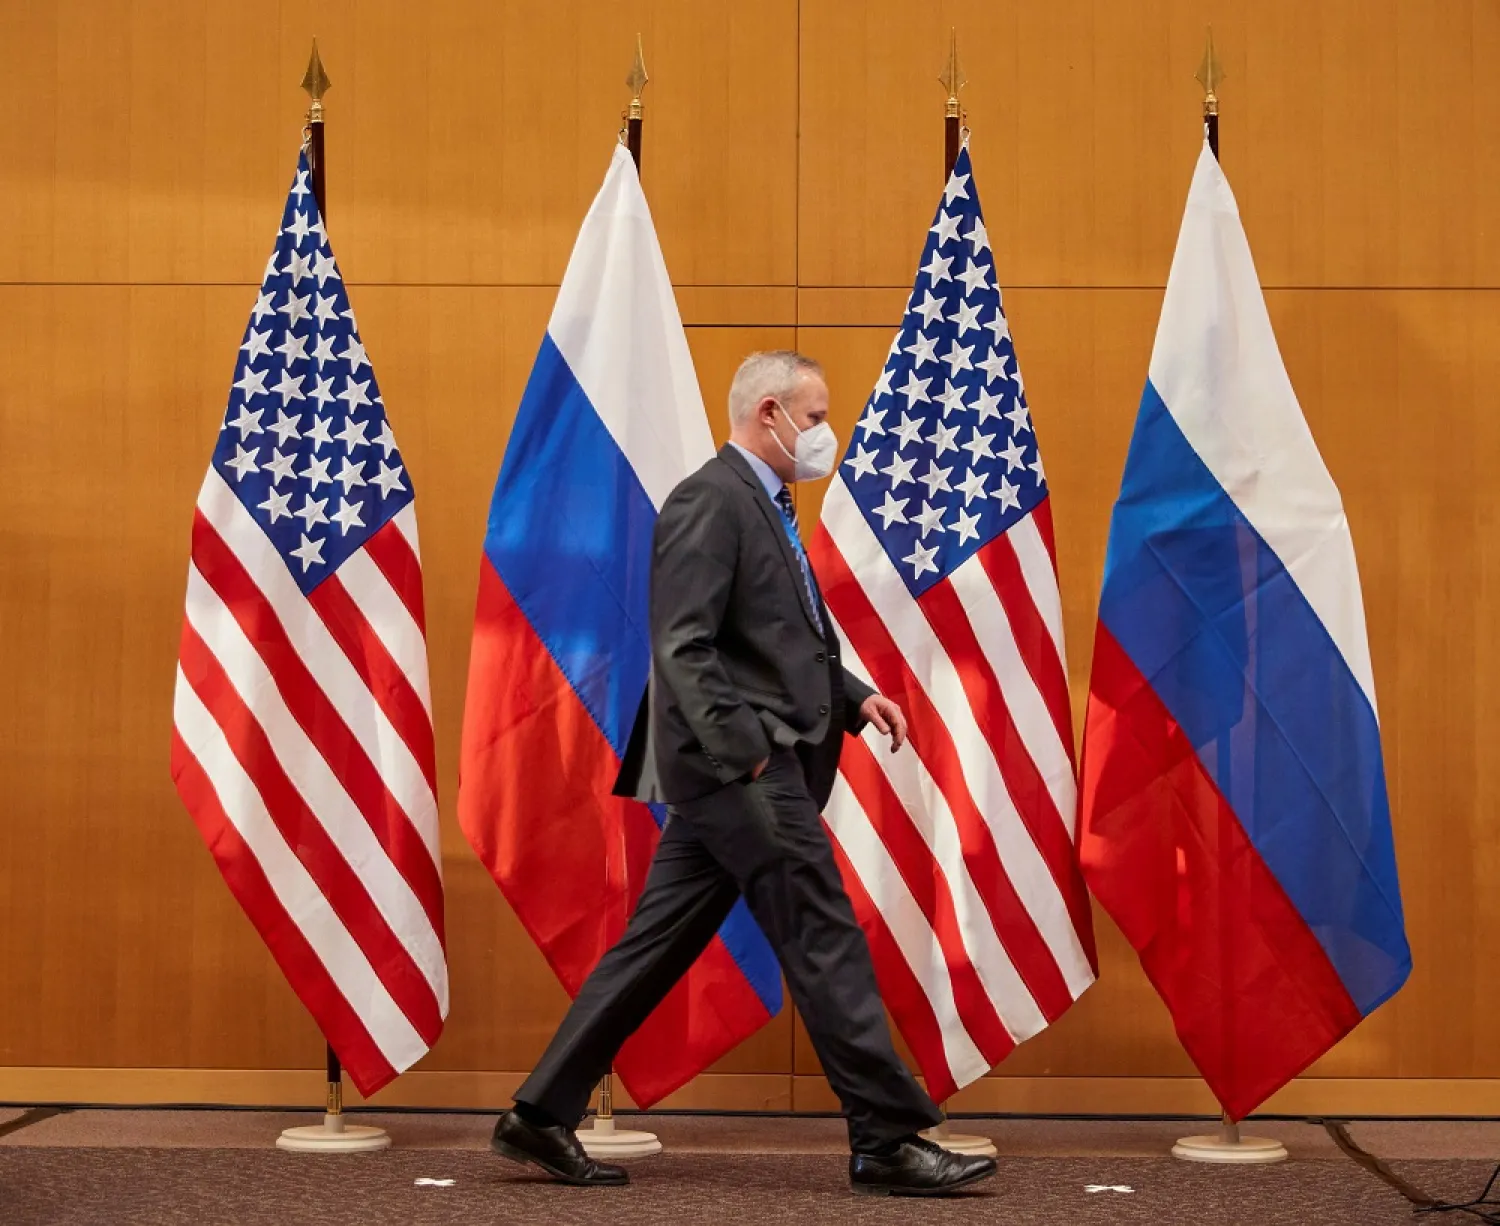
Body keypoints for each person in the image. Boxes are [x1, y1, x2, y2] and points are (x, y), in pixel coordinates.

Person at [491, 351, 997, 1197]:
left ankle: (538, 1116)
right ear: (770, 413)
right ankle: (886, 1139)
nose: (826, 432)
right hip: (740, 770)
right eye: (817, 415)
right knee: (823, 933)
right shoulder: (710, 500)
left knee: (654, 948)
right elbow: (682, 644)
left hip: (730, 770)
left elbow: (774, 636)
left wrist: (855, 697)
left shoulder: (765, 504)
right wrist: (747, 753)